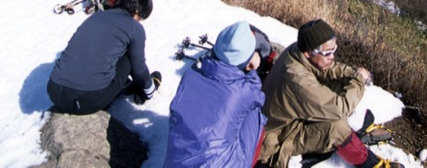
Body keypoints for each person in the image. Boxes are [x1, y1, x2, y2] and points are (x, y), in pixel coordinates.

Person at [258, 19, 401, 168]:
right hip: (281, 137)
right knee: (337, 128)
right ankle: (373, 165)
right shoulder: (297, 79)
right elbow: (339, 109)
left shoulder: (298, 49)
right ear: (308, 53)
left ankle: (354, 132)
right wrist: (359, 80)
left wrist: (353, 74)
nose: (332, 57)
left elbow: (329, 68)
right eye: (327, 53)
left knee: (343, 84)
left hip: (293, 118)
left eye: (334, 50)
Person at [165, 21, 267, 167]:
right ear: (246, 61)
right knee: (254, 114)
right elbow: (258, 96)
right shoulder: (243, 91)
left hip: (175, 163)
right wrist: (253, 69)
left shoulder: (190, 75)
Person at [47, 0, 161, 115]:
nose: (140, 21)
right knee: (128, 59)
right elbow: (139, 69)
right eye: (142, 17)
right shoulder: (134, 27)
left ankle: (118, 84)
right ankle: (128, 88)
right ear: (136, 12)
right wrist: (149, 90)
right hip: (86, 100)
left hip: (54, 91)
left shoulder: (97, 16)